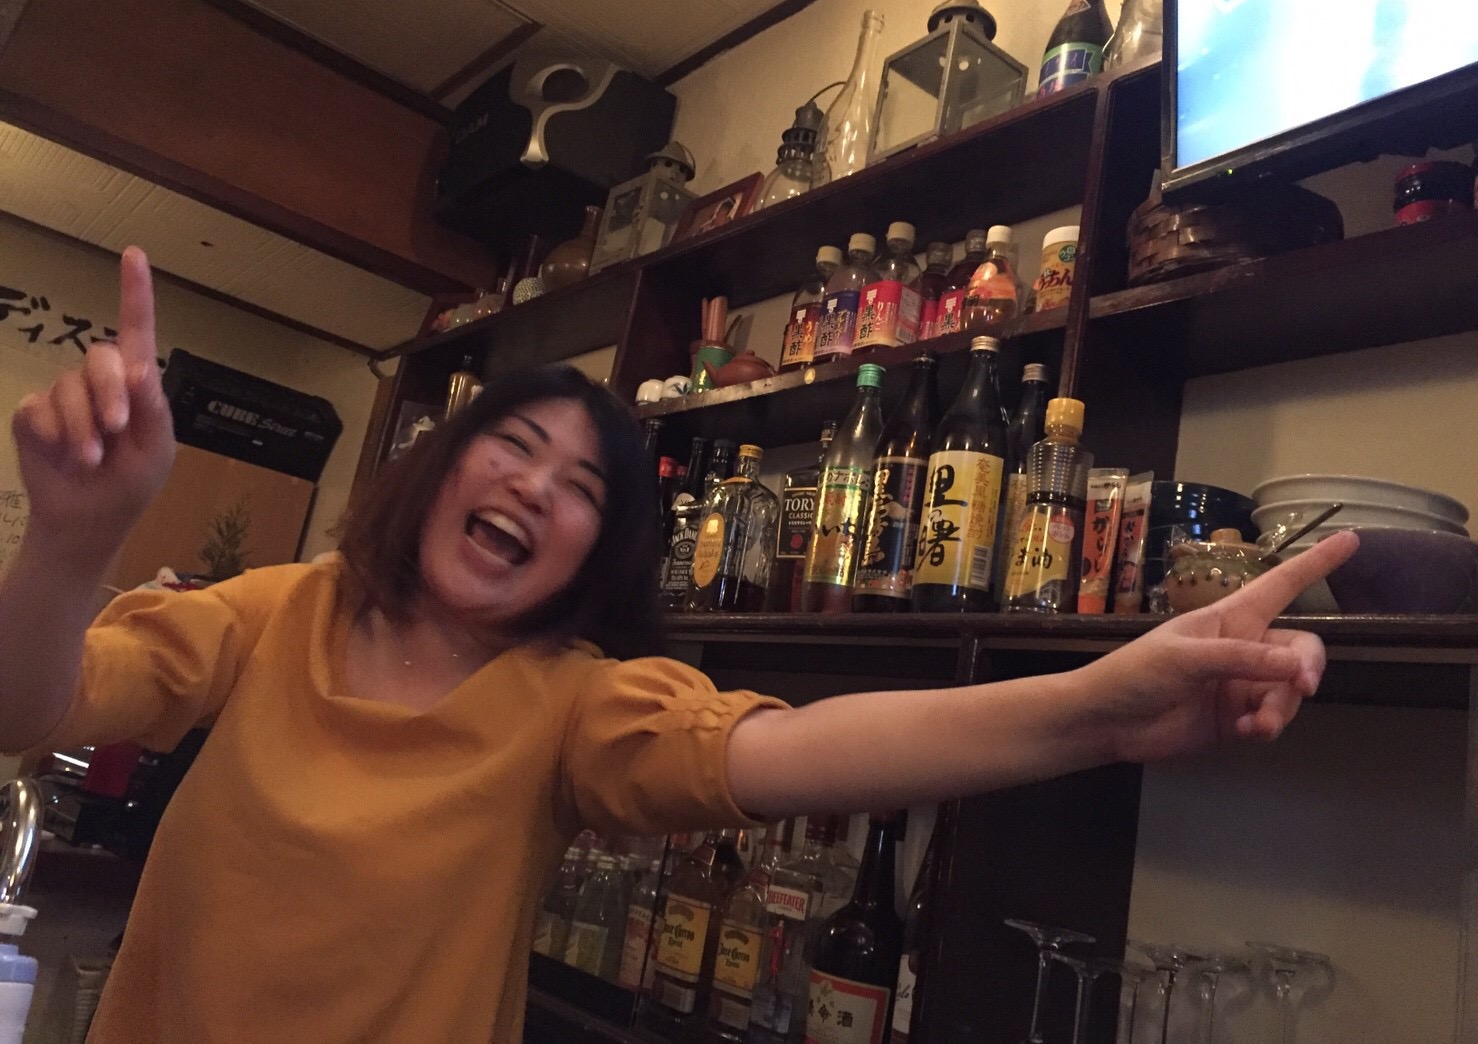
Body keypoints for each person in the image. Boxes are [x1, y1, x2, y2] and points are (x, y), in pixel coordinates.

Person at [0, 249, 1358, 1042]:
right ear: (441, 467)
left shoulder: (571, 705)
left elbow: (807, 750)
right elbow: (29, 708)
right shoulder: (275, 613)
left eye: (583, 489)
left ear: (597, 557)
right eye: (512, 447)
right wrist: (69, 540)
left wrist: (1099, 704)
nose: (536, 489)